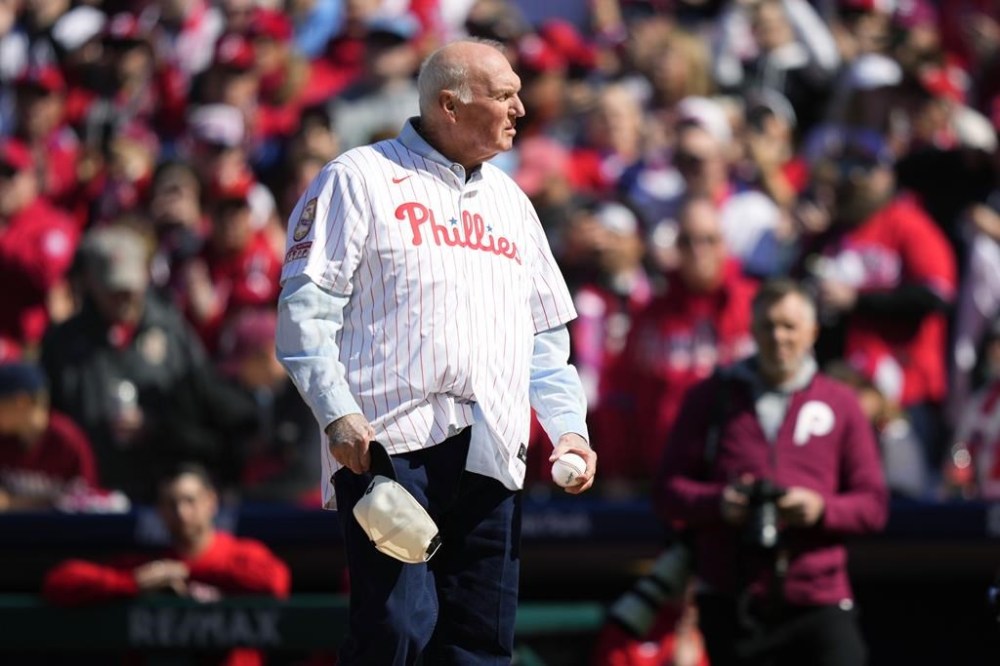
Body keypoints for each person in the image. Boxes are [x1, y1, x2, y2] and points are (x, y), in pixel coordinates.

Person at [276, 38, 596, 665]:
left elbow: (544, 341)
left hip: (494, 445)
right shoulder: (358, 177)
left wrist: (569, 430)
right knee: (396, 631)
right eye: (505, 95)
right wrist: (335, 412)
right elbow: (304, 311)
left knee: (480, 643)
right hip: (390, 444)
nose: (521, 109)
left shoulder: (513, 203)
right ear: (450, 105)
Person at [655, 279, 888, 666]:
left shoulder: (841, 404)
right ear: (752, 329)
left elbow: (874, 505)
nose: (778, 337)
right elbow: (666, 491)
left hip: (817, 596)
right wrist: (720, 504)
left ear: (813, 332)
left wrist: (820, 509)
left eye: (789, 326)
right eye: (768, 326)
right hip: (733, 599)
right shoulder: (712, 398)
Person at [43, 462, 290, 666]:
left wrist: (187, 572)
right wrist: (131, 583)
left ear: (210, 502)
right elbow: (60, 581)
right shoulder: (150, 567)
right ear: (160, 510)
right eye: (171, 504)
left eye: (190, 501)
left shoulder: (242, 555)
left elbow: (276, 581)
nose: (182, 513)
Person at [0, 361, 100, 512]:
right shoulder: (5, 440)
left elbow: (87, 501)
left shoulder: (67, 439)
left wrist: (15, 503)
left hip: (61, 532)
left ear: (22, 402)